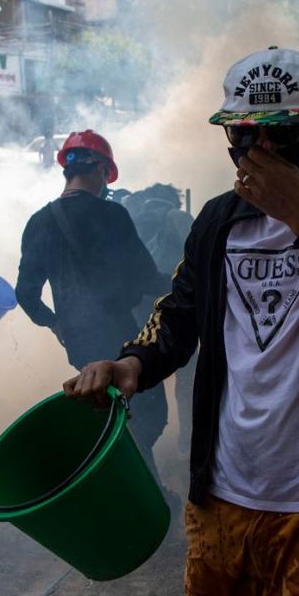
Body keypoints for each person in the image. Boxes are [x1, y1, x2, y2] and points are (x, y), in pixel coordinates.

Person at [63, 48, 299, 596]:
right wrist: (131, 364)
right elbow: (180, 311)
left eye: (280, 134)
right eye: (241, 134)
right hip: (221, 503)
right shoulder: (217, 218)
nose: (257, 151)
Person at [15, 131, 174, 484]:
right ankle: (140, 489)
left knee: (114, 412)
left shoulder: (39, 222)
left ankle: (132, 483)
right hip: (118, 331)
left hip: (78, 341)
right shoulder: (111, 215)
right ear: (101, 170)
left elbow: (25, 294)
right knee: (149, 416)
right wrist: (185, 281)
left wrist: (56, 323)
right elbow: (145, 276)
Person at [120, 183, 197, 454]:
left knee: (145, 367)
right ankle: (187, 440)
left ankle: (142, 440)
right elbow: (201, 257)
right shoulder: (176, 217)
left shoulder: (128, 216)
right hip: (175, 306)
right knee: (187, 376)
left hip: (137, 310)